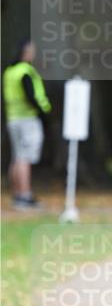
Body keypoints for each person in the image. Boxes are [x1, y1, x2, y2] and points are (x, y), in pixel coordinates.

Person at [3, 39, 51, 209]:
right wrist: (43, 113)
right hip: (28, 119)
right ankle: (25, 195)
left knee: (17, 157)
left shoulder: (10, 71)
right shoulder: (25, 71)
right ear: (26, 52)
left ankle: (17, 194)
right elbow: (31, 96)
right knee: (25, 158)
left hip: (13, 118)